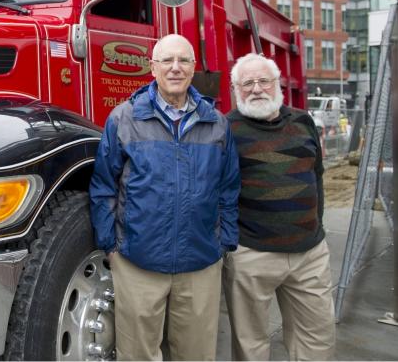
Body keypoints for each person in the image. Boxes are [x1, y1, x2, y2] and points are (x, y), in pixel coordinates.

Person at [90, 34, 240, 361]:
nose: (176, 68)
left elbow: (229, 188)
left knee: (197, 354)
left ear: (193, 68)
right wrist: (111, 247)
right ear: (152, 68)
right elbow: (104, 187)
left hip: (200, 262)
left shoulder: (216, 124)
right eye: (167, 61)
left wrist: (224, 243)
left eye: (183, 60)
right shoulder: (124, 119)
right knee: (138, 354)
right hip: (137, 262)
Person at [224, 53, 336, 361]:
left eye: (264, 81)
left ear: (278, 85)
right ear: (236, 89)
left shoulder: (303, 121)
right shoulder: (225, 130)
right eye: (247, 83)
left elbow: (317, 175)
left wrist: (315, 227)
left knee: (317, 340)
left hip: (309, 255)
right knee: (251, 346)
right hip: (251, 256)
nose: (257, 88)